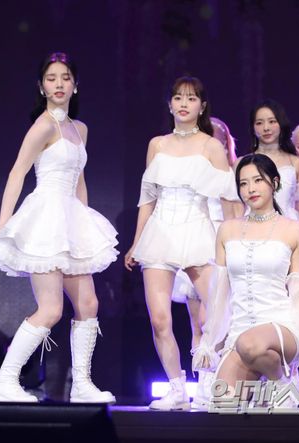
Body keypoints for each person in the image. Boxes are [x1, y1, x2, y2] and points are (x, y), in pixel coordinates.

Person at [0, 52, 118, 403]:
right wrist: (3, 222)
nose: (59, 84)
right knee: (51, 309)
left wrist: (84, 224)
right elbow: (17, 172)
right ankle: (5, 381)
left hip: (71, 219)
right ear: (41, 86)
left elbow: (79, 179)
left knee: (88, 303)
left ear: (75, 84)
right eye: (51, 78)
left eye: (65, 77)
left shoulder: (79, 129)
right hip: (46, 218)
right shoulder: (43, 126)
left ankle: (82, 385)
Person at [124, 77, 237, 410]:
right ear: (170, 104)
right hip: (160, 232)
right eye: (178, 98)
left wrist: (235, 240)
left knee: (217, 314)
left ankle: (214, 382)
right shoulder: (157, 144)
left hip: (198, 230)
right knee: (160, 319)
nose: (184, 104)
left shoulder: (211, 146)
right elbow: (148, 197)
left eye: (191, 98)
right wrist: (136, 242)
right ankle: (176, 390)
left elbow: (228, 199)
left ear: (202, 106)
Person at [192, 154, 299, 408]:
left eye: (258, 180)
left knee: (250, 344)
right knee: (222, 403)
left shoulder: (293, 229)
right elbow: (219, 295)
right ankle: (275, 383)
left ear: (275, 183)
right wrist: (209, 341)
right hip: (240, 332)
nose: (251, 189)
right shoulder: (227, 229)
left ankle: (282, 383)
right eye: (244, 183)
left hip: (281, 327)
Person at [248, 100, 299, 226]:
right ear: (253, 128)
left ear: (281, 124)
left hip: (287, 226)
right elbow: (236, 208)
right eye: (259, 123)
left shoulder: (296, 162)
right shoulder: (243, 163)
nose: (266, 128)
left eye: (272, 121)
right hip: (253, 226)